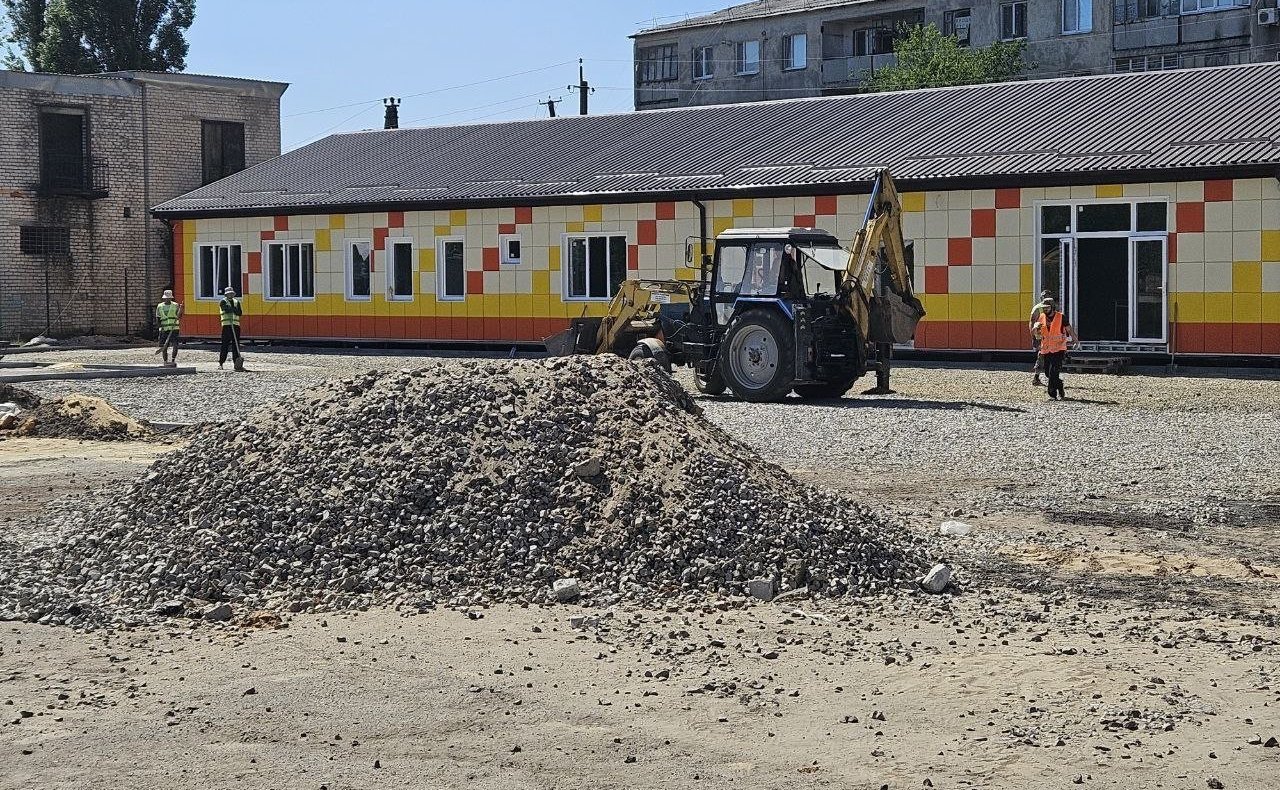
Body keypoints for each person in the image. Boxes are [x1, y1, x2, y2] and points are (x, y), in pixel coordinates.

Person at [1033, 297, 1076, 400]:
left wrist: (1075, 340)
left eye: (1046, 308)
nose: (1044, 310)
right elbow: (1038, 333)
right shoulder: (1041, 317)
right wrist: (1036, 331)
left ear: (1052, 307)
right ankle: (1060, 385)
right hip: (1047, 349)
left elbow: (1069, 329)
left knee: (1053, 372)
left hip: (1059, 348)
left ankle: (1052, 394)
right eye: (1043, 308)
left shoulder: (1061, 317)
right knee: (1048, 373)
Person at [1028, 290, 1053, 386]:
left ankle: (1042, 376)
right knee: (1042, 355)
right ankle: (1037, 377)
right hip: (1041, 336)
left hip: (1050, 336)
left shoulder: (1051, 308)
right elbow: (1032, 323)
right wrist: (1034, 336)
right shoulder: (1038, 308)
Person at [218, 286, 244, 371]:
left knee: (236, 345)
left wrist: (232, 309)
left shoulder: (237, 302)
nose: (231, 295)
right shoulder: (223, 301)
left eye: (232, 293)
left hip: (235, 325)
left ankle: (236, 363)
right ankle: (221, 363)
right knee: (225, 345)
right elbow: (226, 309)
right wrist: (233, 309)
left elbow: (239, 313)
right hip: (226, 326)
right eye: (229, 294)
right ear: (226, 294)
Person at [154, 288, 183, 367]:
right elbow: (158, 318)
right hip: (164, 329)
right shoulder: (160, 306)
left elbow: (179, 316)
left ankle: (173, 360)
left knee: (175, 345)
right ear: (164, 298)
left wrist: (181, 309)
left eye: (168, 298)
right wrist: (160, 327)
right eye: (166, 298)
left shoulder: (175, 305)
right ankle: (165, 361)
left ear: (171, 298)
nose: (167, 299)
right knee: (164, 346)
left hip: (174, 329)